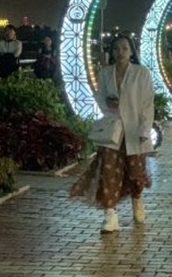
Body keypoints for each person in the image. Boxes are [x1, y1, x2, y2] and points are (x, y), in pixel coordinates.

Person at [70, 34, 154, 233]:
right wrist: (107, 104)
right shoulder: (105, 73)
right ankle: (110, 215)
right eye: (116, 48)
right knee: (108, 170)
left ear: (131, 51)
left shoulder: (141, 73)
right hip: (113, 129)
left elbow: (147, 103)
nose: (120, 52)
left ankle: (137, 198)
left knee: (135, 172)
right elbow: (99, 96)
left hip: (134, 130)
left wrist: (145, 129)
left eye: (124, 48)